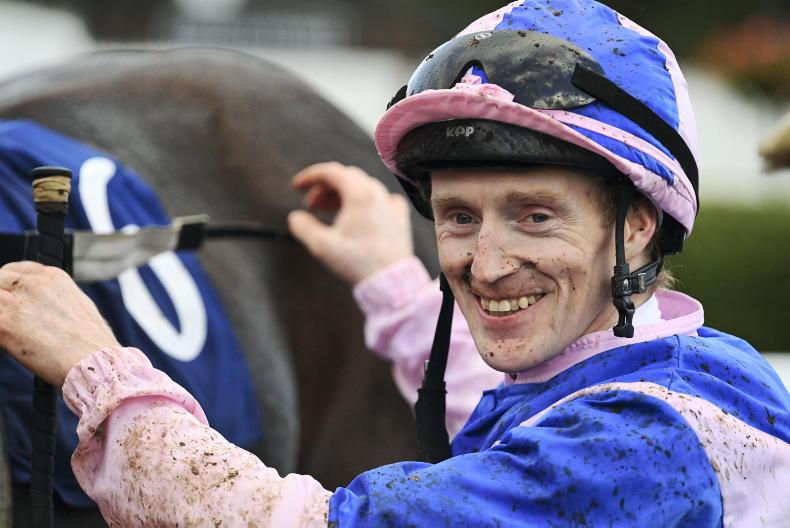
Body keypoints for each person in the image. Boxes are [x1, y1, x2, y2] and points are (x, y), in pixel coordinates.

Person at [0, 1, 788, 526]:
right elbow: (513, 420)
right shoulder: (676, 372)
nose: (485, 265)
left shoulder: (643, 440)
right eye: (459, 217)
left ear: (639, 224)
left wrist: (97, 371)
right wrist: (395, 288)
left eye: (534, 216)